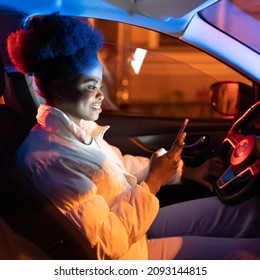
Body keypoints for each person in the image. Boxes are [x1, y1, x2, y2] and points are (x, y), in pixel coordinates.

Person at [7, 13, 260, 260]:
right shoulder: (52, 160)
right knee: (247, 257)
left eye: (101, 85)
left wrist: (183, 172)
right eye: (92, 86)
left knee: (247, 212)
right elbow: (106, 245)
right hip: (130, 258)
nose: (101, 95)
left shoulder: (75, 130)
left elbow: (119, 167)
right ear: (60, 88)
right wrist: (153, 183)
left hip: (135, 227)